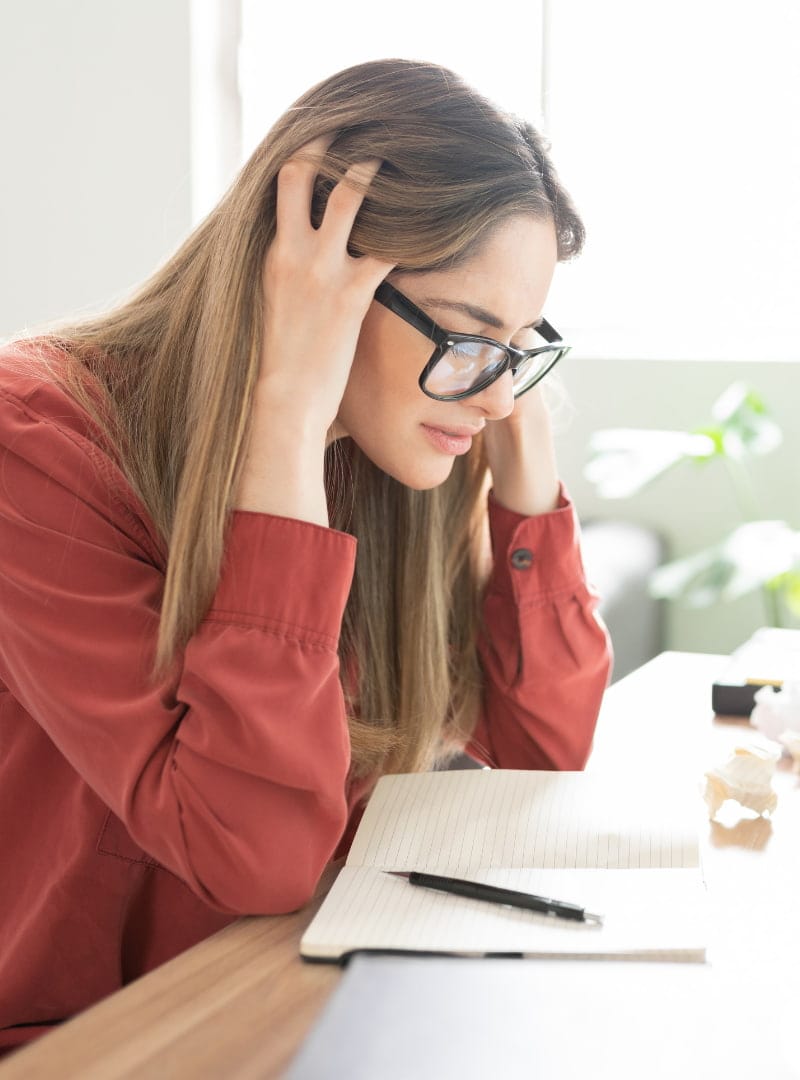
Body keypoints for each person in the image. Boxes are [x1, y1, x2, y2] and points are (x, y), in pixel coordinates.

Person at [0, 58, 611, 1053]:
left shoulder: (393, 452)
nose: (495, 393)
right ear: (308, 283)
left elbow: (538, 764)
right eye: (467, 340)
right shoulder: (36, 441)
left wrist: (524, 471)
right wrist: (282, 416)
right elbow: (256, 855)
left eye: (519, 347)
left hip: (287, 982)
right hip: (88, 1035)